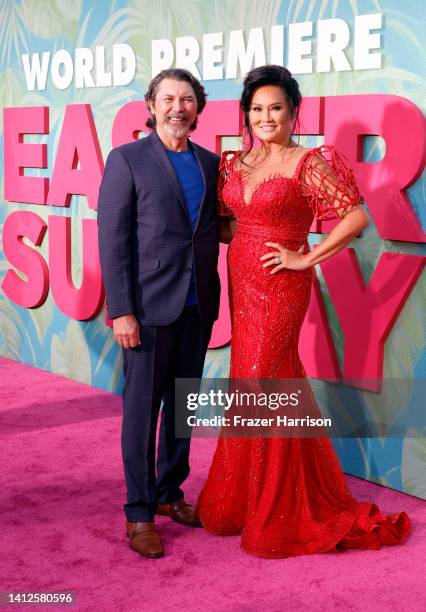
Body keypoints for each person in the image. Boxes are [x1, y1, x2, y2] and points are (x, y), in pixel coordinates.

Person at [196, 65, 410, 558]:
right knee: (257, 381)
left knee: (262, 378)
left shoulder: (308, 163)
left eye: (275, 107)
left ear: (293, 112)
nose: (266, 116)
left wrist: (303, 256)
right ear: (246, 115)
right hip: (241, 283)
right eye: (256, 109)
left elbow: (355, 218)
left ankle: (280, 506)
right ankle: (249, 495)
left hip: (282, 285)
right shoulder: (235, 164)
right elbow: (230, 226)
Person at [97, 69, 220, 558]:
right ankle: (140, 511)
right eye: (168, 98)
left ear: (197, 108)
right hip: (146, 309)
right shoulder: (127, 159)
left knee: (182, 407)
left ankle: (170, 493)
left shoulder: (211, 163)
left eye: (187, 100)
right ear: (151, 105)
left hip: (198, 304)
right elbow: (113, 240)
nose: (177, 107)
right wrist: (122, 311)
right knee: (142, 412)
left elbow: (216, 226)